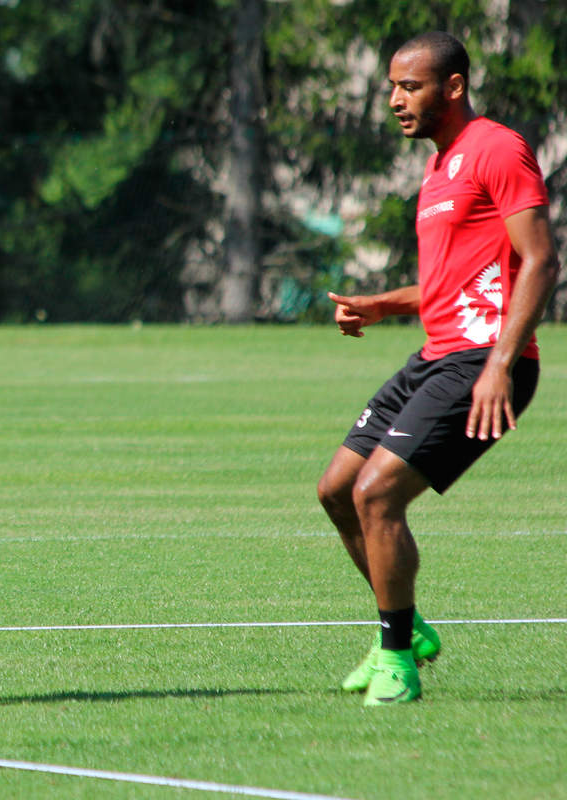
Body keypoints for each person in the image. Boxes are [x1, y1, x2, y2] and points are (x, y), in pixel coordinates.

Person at [317, 31, 559, 706]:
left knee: (377, 494)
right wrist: (380, 304)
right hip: (437, 356)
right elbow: (450, 285)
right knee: (337, 489)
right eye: (391, 87)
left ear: (452, 87)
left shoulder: (496, 148)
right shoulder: (438, 170)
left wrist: (500, 367)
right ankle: (408, 625)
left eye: (410, 86)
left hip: (485, 362)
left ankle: (397, 659)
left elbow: (540, 261)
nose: (396, 100)